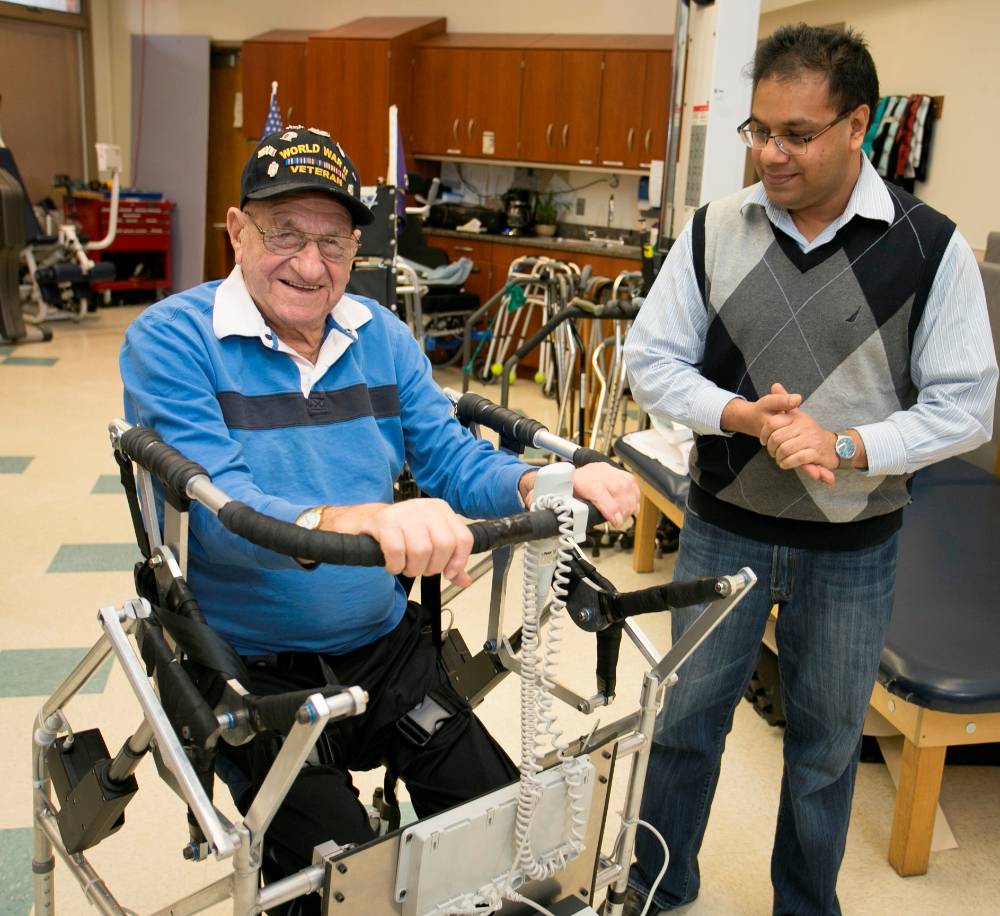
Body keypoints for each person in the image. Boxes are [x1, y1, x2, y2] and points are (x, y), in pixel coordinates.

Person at [120, 127, 640, 913]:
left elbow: (452, 460)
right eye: (284, 234)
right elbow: (219, 506)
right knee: (345, 887)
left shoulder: (380, 337)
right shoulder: (171, 340)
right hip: (250, 669)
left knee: (510, 839)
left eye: (332, 242)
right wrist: (354, 519)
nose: (310, 264)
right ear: (236, 231)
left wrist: (541, 482)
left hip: (387, 651)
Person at [621, 24, 996, 916]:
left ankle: (805, 906)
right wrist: (740, 414)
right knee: (683, 724)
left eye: (797, 134)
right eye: (760, 130)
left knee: (826, 751)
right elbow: (651, 361)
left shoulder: (930, 247)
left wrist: (848, 445)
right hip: (724, 528)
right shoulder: (715, 229)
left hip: (854, 547)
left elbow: (966, 406)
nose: (770, 153)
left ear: (858, 124)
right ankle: (656, 889)